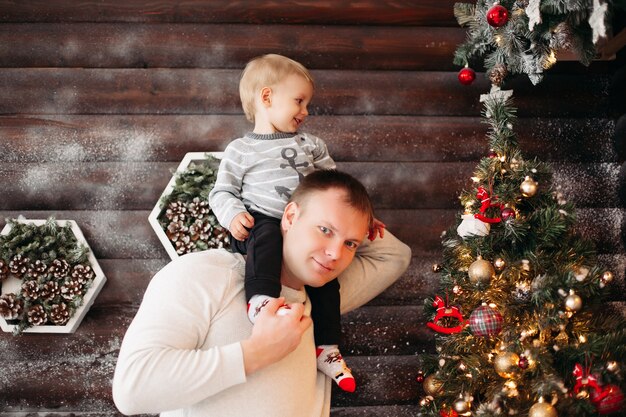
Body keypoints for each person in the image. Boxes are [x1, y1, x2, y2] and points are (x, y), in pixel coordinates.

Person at [112, 169, 411, 417]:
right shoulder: (209, 274)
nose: (335, 254)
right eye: (324, 230)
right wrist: (256, 353)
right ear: (290, 217)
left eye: (351, 244)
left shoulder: (322, 303)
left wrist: (353, 220)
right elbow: (132, 389)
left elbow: (394, 255)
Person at [208, 53, 384, 392]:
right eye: (299, 101)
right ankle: (261, 300)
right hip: (259, 223)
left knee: (327, 282)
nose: (305, 112)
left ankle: (327, 348)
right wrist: (233, 215)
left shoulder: (311, 145)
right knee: (268, 236)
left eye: (307, 104)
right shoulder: (241, 150)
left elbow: (339, 193)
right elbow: (221, 191)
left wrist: (362, 218)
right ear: (267, 97)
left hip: (305, 230)